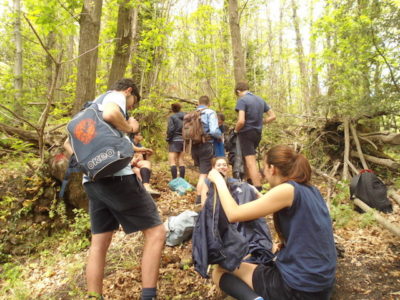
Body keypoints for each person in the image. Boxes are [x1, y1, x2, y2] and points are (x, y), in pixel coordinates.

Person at [64, 78, 166, 300]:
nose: (130, 107)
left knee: (99, 243)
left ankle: (94, 296)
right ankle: (148, 296)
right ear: (128, 91)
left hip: (92, 181)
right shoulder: (114, 97)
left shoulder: (90, 109)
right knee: (156, 232)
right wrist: (130, 126)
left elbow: (68, 144)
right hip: (117, 180)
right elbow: (112, 115)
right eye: (132, 103)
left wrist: (133, 148)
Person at [208, 145, 337, 300]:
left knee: (220, 271)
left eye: (263, 169)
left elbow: (233, 214)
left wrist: (218, 179)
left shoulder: (287, 189)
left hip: (299, 288)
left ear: (272, 168)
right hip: (322, 284)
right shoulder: (311, 190)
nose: (263, 175)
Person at [234, 82, 276, 192]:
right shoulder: (260, 100)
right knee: (247, 159)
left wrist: (235, 130)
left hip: (246, 132)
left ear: (238, 91)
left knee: (250, 162)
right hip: (257, 133)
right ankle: (249, 184)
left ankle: (258, 189)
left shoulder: (242, 100)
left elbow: (241, 121)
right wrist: (262, 122)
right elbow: (273, 116)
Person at [191, 95, 222, 204]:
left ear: (199, 103)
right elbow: (214, 131)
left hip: (193, 146)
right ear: (209, 103)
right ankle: (199, 201)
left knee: (203, 172)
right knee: (204, 174)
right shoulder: (210, 112)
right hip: (206, 145)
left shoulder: (192, 114)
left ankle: (206, 197)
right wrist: (220, 135)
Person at [131, 132, 160, 197]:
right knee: (138, 169)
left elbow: (144, 154)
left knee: (140, 169)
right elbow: (135, 150)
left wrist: (148, 153)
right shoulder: (130, 142)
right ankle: (144, 189)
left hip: (137, 164)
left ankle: (145, 190)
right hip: (130, 163)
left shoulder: (139, 144)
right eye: (140, 135)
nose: (142, 136)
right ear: (135, 136)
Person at [166, 103, 186, 180]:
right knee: (181, 160)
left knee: (172, 161)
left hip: (174, 140)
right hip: (184, 140)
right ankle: (182, 180)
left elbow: (170, 129)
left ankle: (174, 180)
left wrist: (168, 139)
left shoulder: (172, 117)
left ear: (172, 109)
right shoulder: (186, 116)